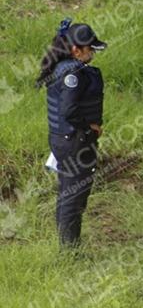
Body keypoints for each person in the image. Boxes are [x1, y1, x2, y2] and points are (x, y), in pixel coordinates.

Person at [37, 18, 107, 248]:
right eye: (90, 50)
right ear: (76, 50)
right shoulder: (73, 75)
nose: (92, 55)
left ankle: (67, 246)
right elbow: (68, 110)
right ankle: (70, 252)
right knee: (74, 197)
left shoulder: (62, 68)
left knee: (69, 192)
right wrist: (90, 128)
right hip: (75, 141)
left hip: (64, 140)